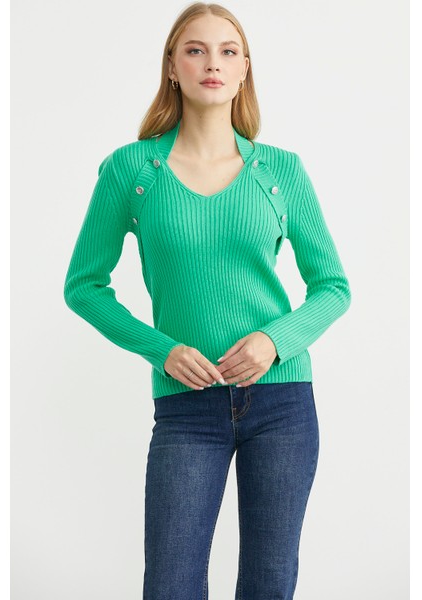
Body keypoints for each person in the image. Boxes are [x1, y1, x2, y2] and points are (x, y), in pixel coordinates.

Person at [63, 2, 351, 598]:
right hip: (187, 409)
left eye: (228, 51)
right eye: (195, 50)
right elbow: (83, 286)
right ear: (172, 66)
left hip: (282, 402)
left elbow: (333, 286)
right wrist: (161, 350)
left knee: (269, 582)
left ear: (245, 69)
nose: (212, 63)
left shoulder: (281, 171)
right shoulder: (131, 170)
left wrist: (275, 340)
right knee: (171, 584)